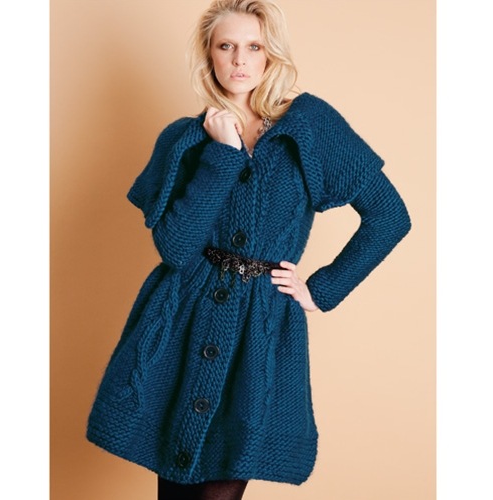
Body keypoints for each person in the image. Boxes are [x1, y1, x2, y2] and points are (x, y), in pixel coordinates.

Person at [86, 0, 411, 498]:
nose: (240, 59)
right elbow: (174, 249)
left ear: (270, 54)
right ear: (209, 55)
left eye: (253, 47)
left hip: (260, 330)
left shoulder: (311, 125)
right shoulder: (184, 140)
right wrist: (221, 155)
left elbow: (390, 216)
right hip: (181, 322)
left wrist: (321, 288)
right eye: (226, 46)